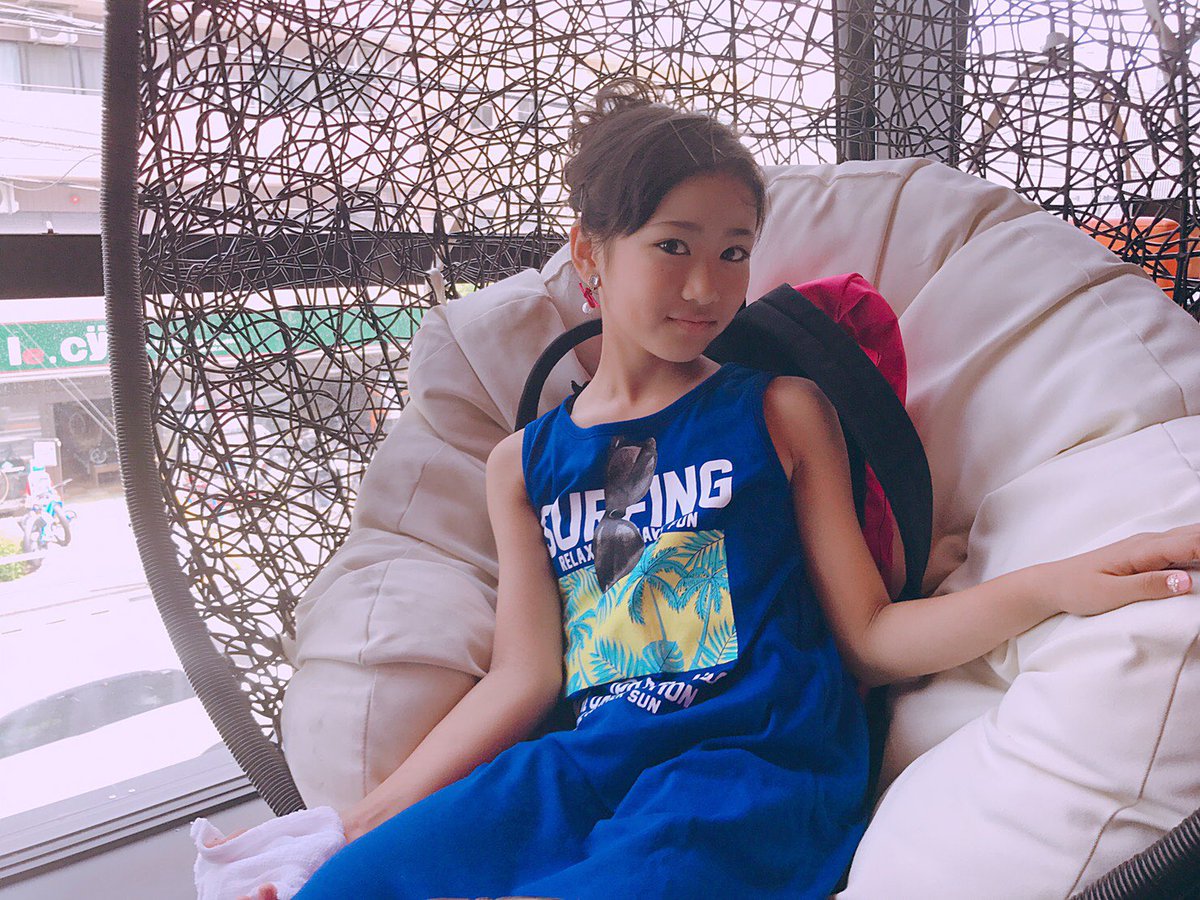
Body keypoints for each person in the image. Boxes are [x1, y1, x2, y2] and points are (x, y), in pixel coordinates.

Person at [214, 76, 1200, 900]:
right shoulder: (525, 463)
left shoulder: (779, 411)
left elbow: (869, 635)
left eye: (734, 252)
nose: (706, 287)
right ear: (590, 254)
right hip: (590, 763)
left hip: (752, 769)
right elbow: (526, 678)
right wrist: (353, 825)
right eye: (673, 246)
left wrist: (1054, 585)